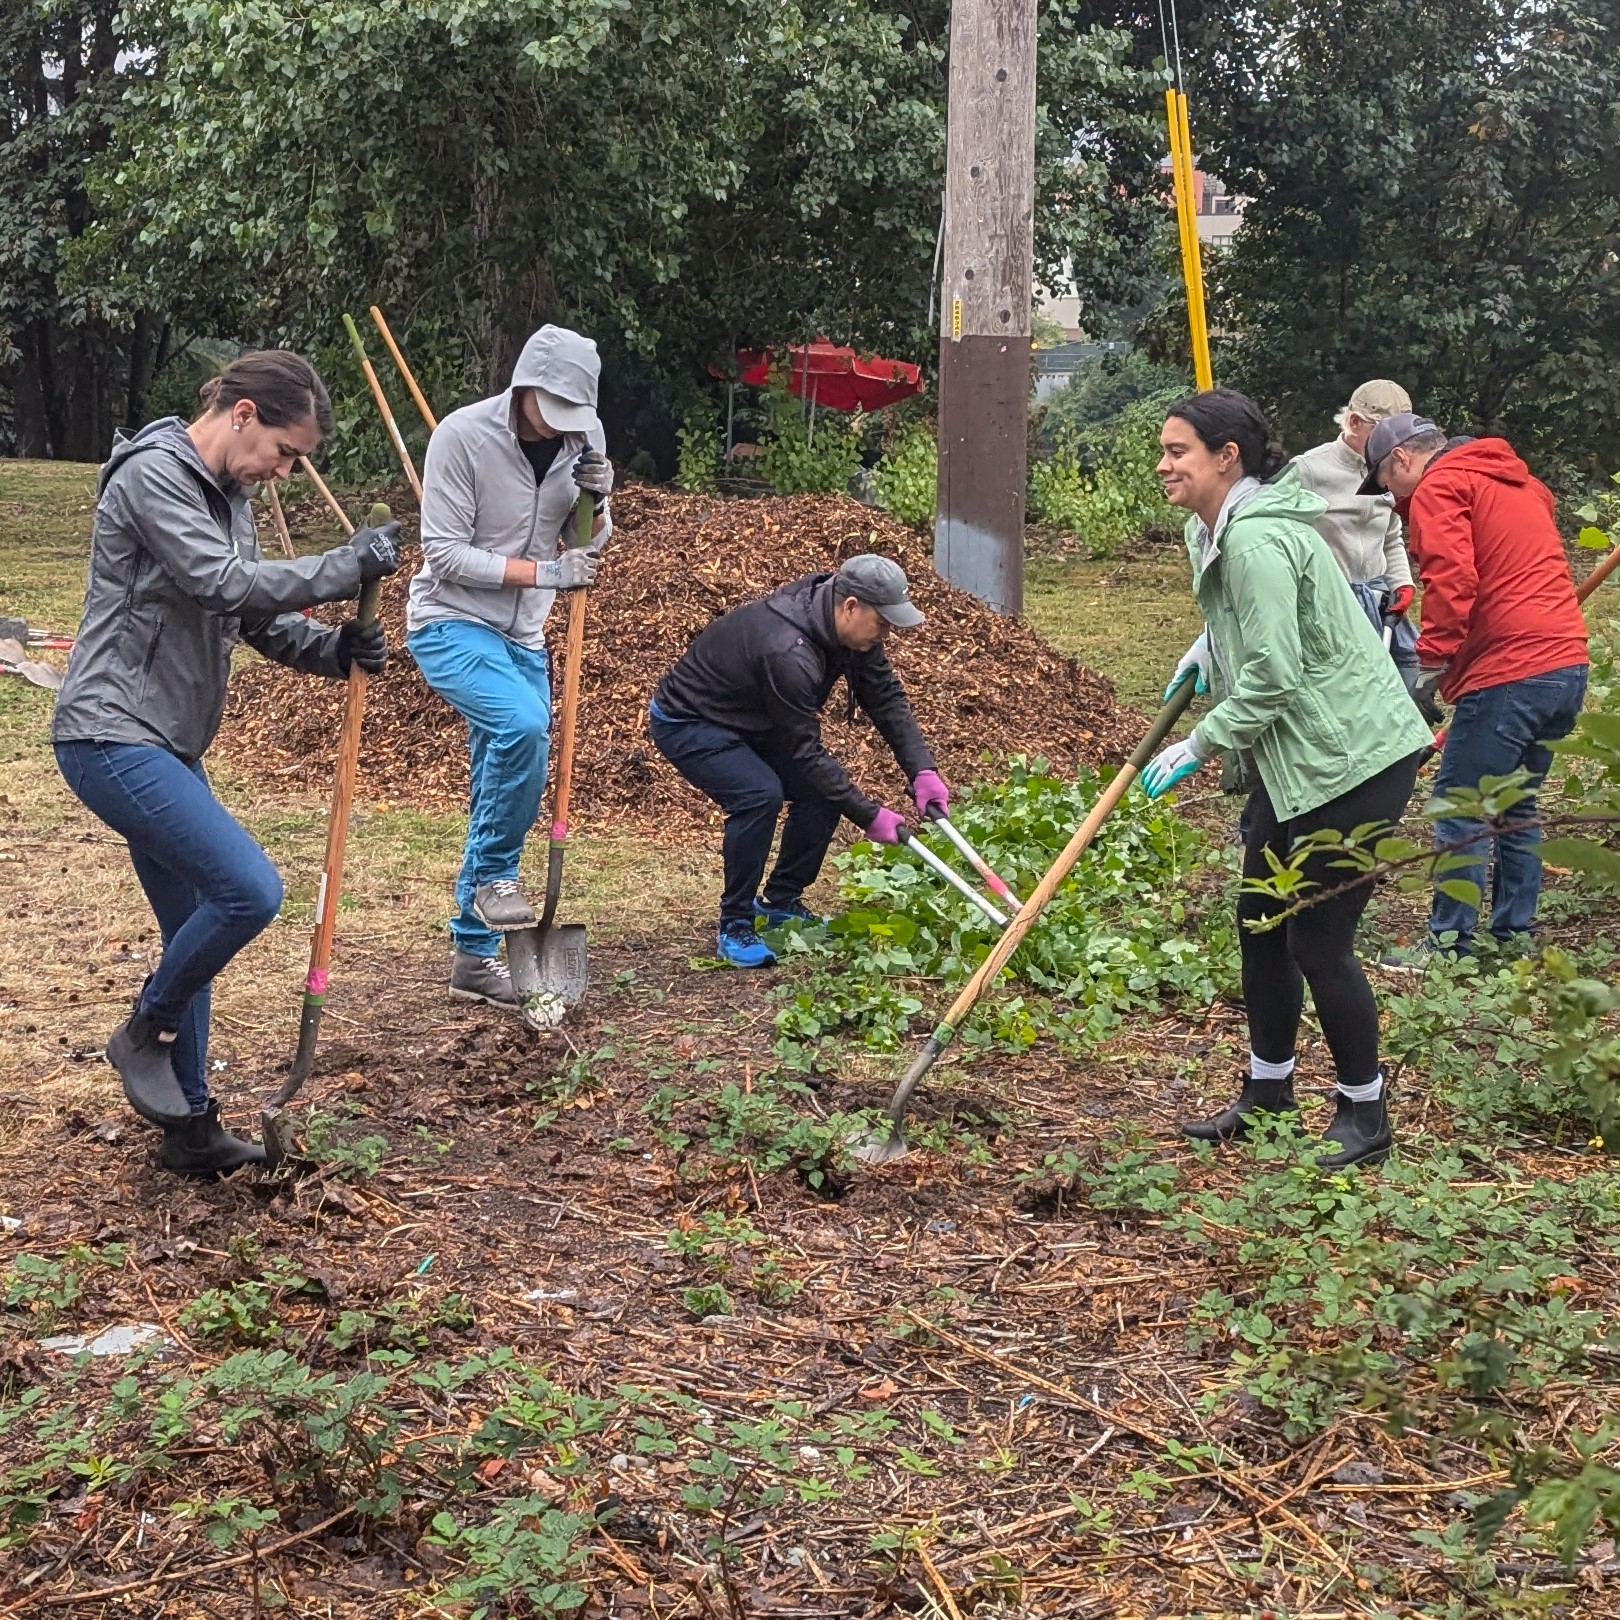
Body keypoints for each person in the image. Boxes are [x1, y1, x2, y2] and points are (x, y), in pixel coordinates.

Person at [52, 352, 401, 1175]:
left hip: (167, 741)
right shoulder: (153, 474)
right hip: (111, 731)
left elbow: (252, 618)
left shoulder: (232, 497)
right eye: (285, 451)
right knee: (248, 890)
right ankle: (145, 1029)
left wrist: (333, 648)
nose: (283, 472)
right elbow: (219, 581)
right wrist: (343, 564)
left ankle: (191, 1128)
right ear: (243, 413)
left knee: (194, 928)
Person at [1147, 388, 1432, 1166]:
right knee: (1259, 918)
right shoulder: (1212, 531)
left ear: (1225, 457)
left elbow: (1274, 674)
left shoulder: (1256, 541)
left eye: (1179, 451)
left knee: (1319, 937)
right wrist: (1209, 646)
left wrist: (1200, 744)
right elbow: (1252, 626)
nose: (1164, 464)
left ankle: (1364, 1114)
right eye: (1165, 450)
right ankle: (1268, 1094)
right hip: (1299, 756)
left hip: (1358, 755)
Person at [405, 325, 614, 1009]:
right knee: (522, 728)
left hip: (525, 634)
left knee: (501, 774)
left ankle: (472, 956)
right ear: (524, 386)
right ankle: (495, 877)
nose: (561, 427)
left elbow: (587, 544)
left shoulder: (584, 440)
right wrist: (544, 571)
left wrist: (601, 502)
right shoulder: (462, 438)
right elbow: (443, 553)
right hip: (451, 621)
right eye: (551, 408)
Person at [649, 555, 949, 968]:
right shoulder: (788, 651)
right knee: (759, 795)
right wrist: (868, 815)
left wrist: (922, 771)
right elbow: (804, 752)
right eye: (883, 623)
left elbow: (886, 699)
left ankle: (780, 902)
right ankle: (735, 923)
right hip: (691, 718)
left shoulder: (849, 628)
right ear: (851, 606)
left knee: (823, 792)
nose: (885, 635)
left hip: (754, 716)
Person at [1361, 412, 1589, 950]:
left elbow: (1452, 576)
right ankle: (1514, 932)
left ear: (1401, 459)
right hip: (1567, 663)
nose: (1391, 497)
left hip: (1510, 668)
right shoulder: (1523, 485)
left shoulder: (1442, 484)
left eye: (1386, 482)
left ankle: (1449, 941)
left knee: (1459, 802)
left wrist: (1431, 660)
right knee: (1516, 805)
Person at [1292, 379, 1429, 712]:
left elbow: (1391, 535)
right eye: (1384, 433)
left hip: (1379, 597)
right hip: (1332, 602)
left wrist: (1402, 585)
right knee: (1355, 699)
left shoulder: (1394, 470)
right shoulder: (1308, 470)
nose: (1398, 446)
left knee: (1408, 674)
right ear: (1354, 422)